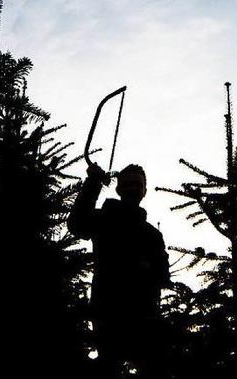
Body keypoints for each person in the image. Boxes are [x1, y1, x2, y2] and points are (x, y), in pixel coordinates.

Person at [68, 162, 170, 378]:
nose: (133, 188)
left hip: (142, 315)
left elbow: (163, 275)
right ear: (119, 189)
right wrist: (93, 183)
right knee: (109, 369)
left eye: (137, 184)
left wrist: (148, 270)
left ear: (144, 190)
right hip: (108, 312)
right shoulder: (105, 219)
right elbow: (77, 224)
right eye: (128, 183)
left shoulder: (152, 235)